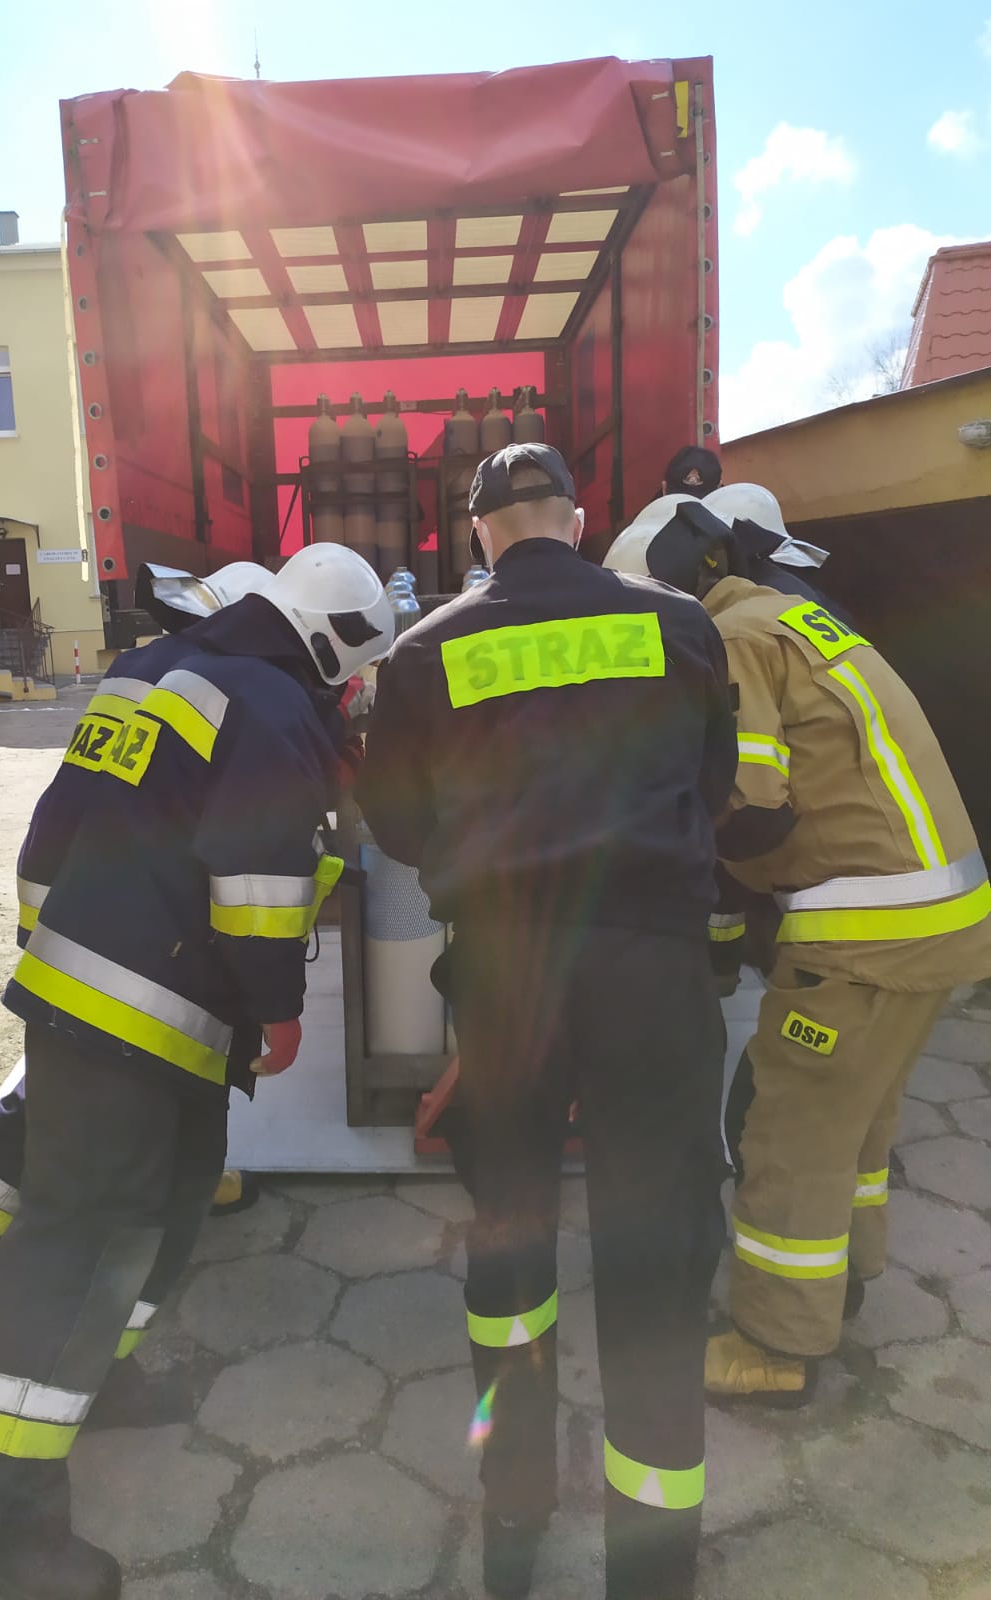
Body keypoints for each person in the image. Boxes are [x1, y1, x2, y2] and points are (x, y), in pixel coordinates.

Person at [0, 544, 394, 1600]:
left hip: (115, 1003)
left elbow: (52, 830)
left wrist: (56, 959)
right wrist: (277, 1011)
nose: (356, 696)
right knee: (82, 1244)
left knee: (175, 1205)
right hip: (143, 1014)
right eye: (359, 676)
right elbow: (260, 884)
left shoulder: (147, 675)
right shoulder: (273, 708)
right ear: (335, 648)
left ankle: (96, 1378)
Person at [357, 443, 736, 1600]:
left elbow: (398, 826)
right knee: (655, 1260)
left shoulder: (423, 653)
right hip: (653, 971)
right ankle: (652, 1571)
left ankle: (514, 1518)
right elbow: (713, 786)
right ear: (576, 518)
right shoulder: (681, 626)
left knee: (513, 1245)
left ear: (479, 530)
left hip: (507, 974)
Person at [604, 499, 991, 1404]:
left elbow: (753, 809)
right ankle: (842, 1278)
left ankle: (775, 1345)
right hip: (936, 918)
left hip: (866, 935)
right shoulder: (794, 617)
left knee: (787, 1130)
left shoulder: (734, 640)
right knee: (858, 1118)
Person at [0, 564, 283, 1342]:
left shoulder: (158, 673)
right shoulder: (211, 688)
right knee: (66, 1111)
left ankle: (186, 1178)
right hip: (121, 939)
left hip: (105, 922)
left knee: (165, 1074)